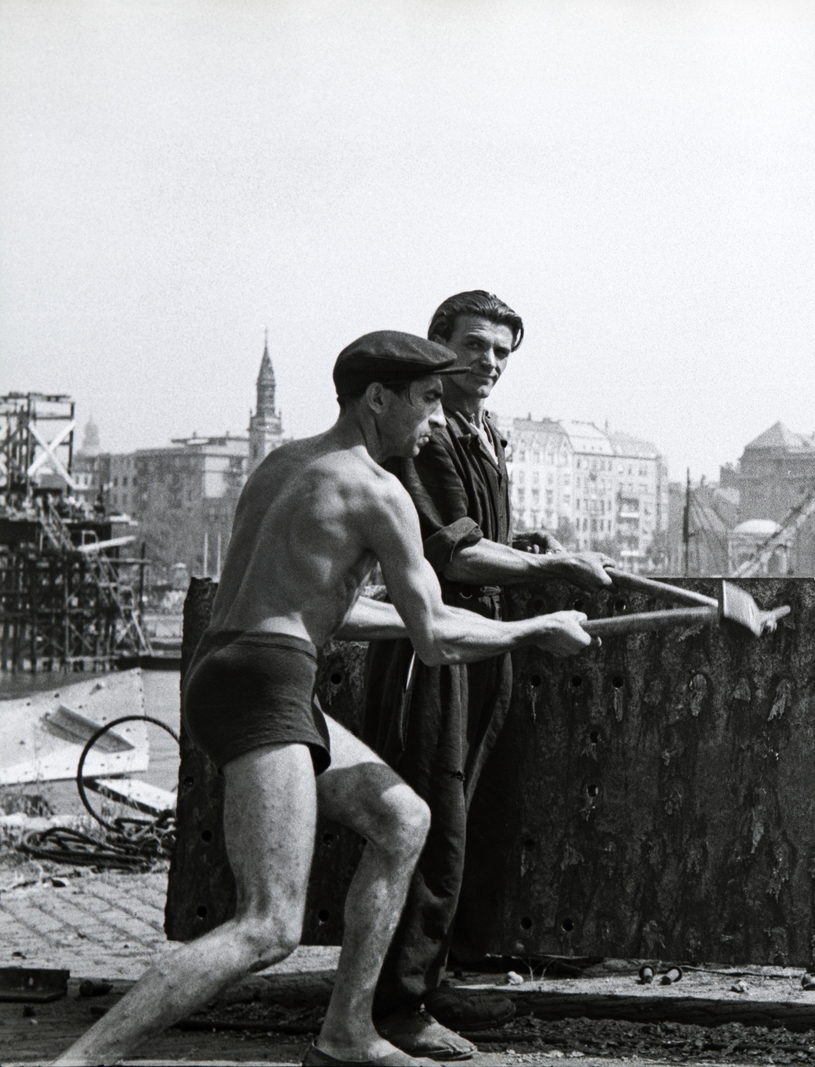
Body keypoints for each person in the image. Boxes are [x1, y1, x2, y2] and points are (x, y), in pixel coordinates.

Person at [54, 331, 592, 1067]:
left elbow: (336, 611)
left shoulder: (284, 463)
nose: (436, 421)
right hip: (267, 683)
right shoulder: (379, 490)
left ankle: (347, 1033)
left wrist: (513, 625)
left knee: (402, 817)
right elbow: (432, 636)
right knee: (267, 926)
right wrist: (534, 628)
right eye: (428, 400)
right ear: (378, 399)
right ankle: (75, 1062)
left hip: (232, 667)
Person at [361, 291, 613, 1061]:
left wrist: (527, 547)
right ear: (438, 345)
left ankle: (439, 975)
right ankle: (399, 1008)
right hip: (434, 649)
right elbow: (453, 554)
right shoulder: (427, 435)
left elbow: (486, 538)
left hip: (485, 640)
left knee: (469, 815)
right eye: (474, 346)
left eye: (502, 351)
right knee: (432, 820)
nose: (490, 362)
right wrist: (551, 564)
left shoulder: (483, 431)